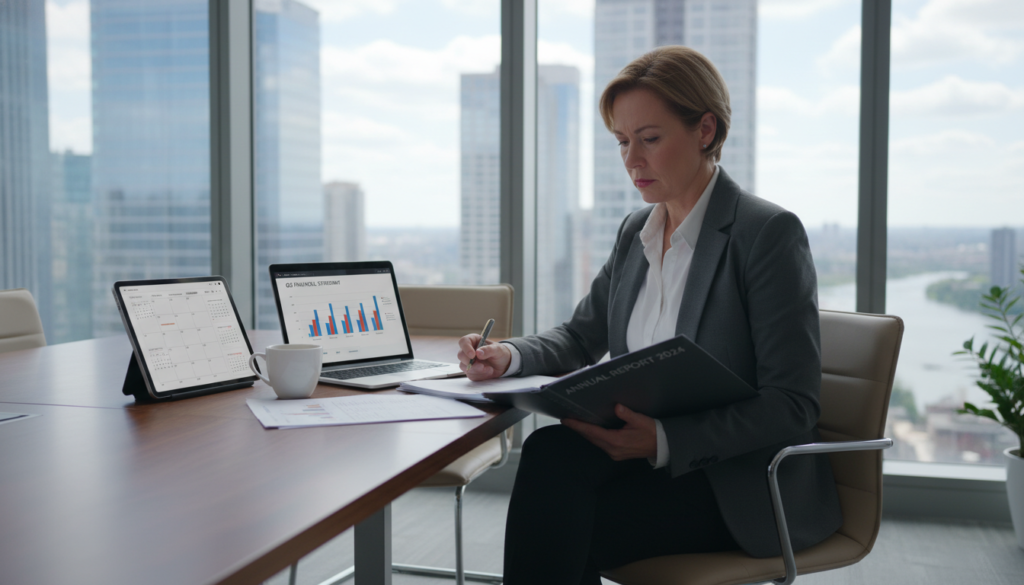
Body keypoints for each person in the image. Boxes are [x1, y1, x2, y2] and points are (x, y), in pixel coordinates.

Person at [457, 46, 842, 584]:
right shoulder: (635, 232)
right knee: (549, 454)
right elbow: (579, 336)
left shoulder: (766, 235)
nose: (631, 160)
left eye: (650, 139)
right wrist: (510, 354)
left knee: (564, 526)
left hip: (731, 481)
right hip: (639, 462)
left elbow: (793, 405)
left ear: (705, 129)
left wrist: (664, 440)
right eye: (622, 141)